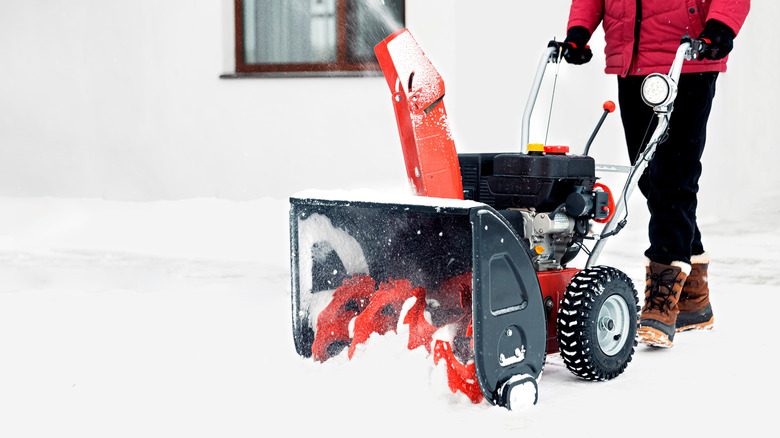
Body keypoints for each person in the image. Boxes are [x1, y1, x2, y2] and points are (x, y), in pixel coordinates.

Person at [562, 0, 750, 347]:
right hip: (631, 63)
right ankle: (693, 299)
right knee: (649, 175)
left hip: (689, 58)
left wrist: (722, 25)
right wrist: (579, 32)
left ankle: (662, 300)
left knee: (672, 178)